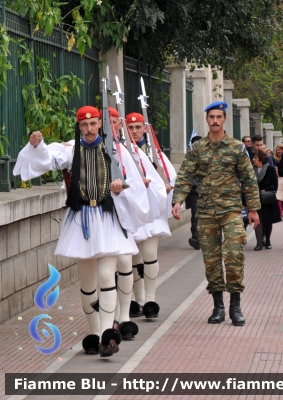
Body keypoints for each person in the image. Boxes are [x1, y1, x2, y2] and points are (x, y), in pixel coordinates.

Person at [13, 105, 150, 357]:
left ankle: (109, 334)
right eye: (84, 125)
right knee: (88, 284)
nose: (89, 129)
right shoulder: (71, 151)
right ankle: (96, 333)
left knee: (107, 277)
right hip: (82, 220)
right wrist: (37, 144)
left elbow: (135, 182)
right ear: (79, 126)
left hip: (108, 218)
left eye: (93, 123)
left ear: (100, 124)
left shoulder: (116, 150)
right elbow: (46, 159)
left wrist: (122, 186)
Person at [172, 101, 260, 327]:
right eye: (211, 117)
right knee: (211, 261)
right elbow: (185, 175)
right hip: (206, 213)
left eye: (219, 117)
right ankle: (218, 306)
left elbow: (249, 180)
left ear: (225, 119)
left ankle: (236, 306)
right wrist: (178, 200)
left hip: (231, 211)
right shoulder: (197, 148)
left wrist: (252, 209)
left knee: (233, 256)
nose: (215, 121)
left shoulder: (236, 147)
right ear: (207, 119)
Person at [125, 112, 176, 319]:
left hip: (152, 214)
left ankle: (150, 299)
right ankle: (137, 300)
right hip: (133, 213)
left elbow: (169, 177)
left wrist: (161, 190)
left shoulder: (155, 153)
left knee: (149, 255)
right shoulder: (125, 153)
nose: (135, 132)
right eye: (131, 128)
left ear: (145, 129)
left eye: (138, 128)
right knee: (134, 259)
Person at [253, 149, 281, 250]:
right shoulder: (252, 169)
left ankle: (268, 240)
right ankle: (259, 243)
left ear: (260, 158)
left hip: (267, 199)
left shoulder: (270, 169)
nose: (253, 159)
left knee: (268, 221)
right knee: (258, 220)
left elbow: (275, 184)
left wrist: (265, 190)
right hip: (256, 199)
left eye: (255, 157)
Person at [185, 135, 202, 250]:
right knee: (195, 215)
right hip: (194, 190)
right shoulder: (189, 158)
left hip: (208, 191)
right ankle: (195, 238)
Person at [273, 144, 283, 217]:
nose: (278, 151)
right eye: (277, 150)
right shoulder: (274, 158)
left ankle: (279, 213)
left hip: (281, 178)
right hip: (278, 178)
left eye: (280, 149)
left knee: (278, 196)